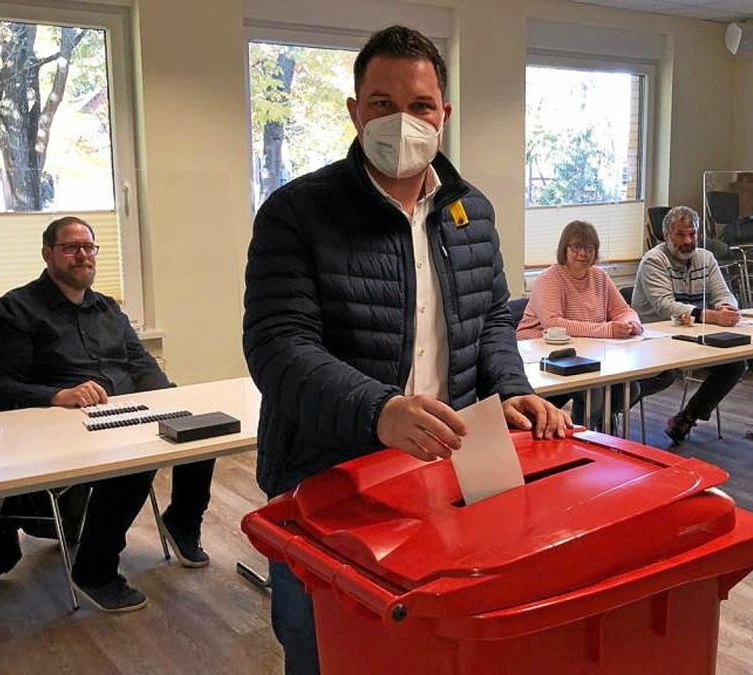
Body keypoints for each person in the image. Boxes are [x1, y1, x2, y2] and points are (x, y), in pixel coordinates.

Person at [243, 26, 570, 675]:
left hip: (470, 457)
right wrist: (380, 411)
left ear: (444, 114)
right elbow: (278, 348)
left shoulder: (471, 210)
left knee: (455, 635)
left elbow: (492, 323)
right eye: (382, 103)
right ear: (354, 111)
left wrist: (512, 389)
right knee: (331, 645)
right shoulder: (296, 213)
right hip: (334, 467)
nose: (403, 121)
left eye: (420, 106)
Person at [0, 215, 215, 612]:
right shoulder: (11, 312)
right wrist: (58, 395)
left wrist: (169, 398)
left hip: (118, 415)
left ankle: (182, 522)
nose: (82, 255)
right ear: (48, 253)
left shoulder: (107, 309)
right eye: (70, 248)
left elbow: (140, 363)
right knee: (133, 458)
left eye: (88, 247)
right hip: (52, 429)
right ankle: (94, 571)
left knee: (200, 427)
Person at [631, 205, 747, 444]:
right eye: (681, 235)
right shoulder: (654, 260)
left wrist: (727, 307)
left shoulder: (706, 258)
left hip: (693, 335)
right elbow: (665, 306)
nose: (688, 240)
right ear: (666, 235)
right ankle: (610, 410)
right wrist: (711, 316)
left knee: (736, 364)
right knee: (666, 374)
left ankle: (687, 418)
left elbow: (724, 294)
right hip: (655, 339)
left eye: (692, 234)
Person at [515, 220, 643, 427]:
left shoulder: (600, 277)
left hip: (585, 351)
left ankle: (598, 428)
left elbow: (624, 310)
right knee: (595, 391)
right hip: (543, 354)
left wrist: (631, 323)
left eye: (589, 248)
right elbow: (552, 323)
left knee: (631, 388)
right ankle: (583, 435)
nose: (583, 254)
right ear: (564, 249)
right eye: (576, 247)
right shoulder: (550, 278)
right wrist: (608, 329)